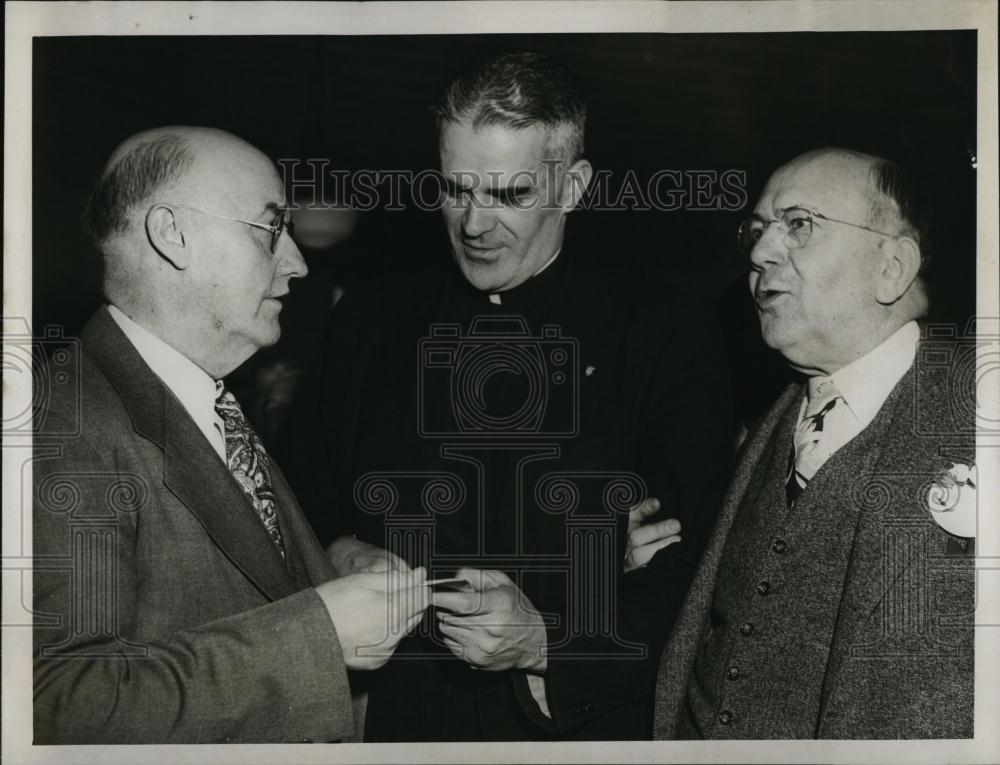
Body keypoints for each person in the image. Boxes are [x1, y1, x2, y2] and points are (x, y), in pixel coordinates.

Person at [284, 51, 734, 740]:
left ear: (573, 186)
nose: (473, 224)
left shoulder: (664, 334)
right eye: (455, 189)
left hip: (572, 732)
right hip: (391, 720)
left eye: (511, 195)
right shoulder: (370, 321)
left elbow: (697, 580)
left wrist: (544, 639)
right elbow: (292, 506)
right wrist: (337, 552)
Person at [32, 126, 428, 744]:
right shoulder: (63, 420)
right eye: (271, 228)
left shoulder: (201, 398)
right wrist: (320, 632)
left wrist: (328, 568)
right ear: (173, 235)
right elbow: (57, 704)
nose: (297, 262)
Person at [653, 148, 976, 739]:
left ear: (891, 268)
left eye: (799, 224)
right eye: (757, 231)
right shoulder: (771, 422)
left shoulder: (979, 421)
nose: (759, 253)